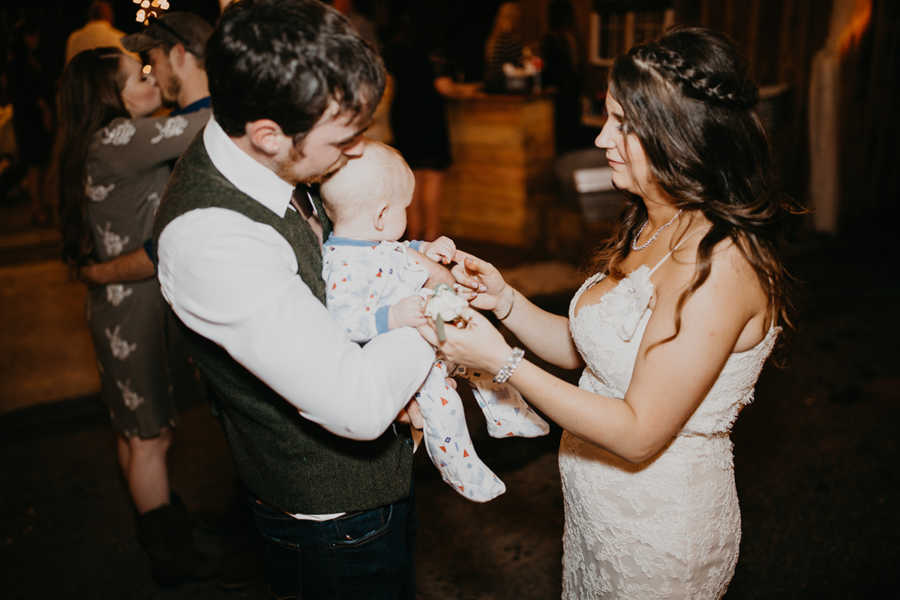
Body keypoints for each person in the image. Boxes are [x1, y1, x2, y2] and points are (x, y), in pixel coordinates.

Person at [422, 27, 796, 598]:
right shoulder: (655, 218)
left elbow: (639, 433)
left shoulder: (722, 266)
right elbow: (593, 350)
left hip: (661, 538)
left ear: (680, 134)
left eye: (622, 124)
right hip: (599, 518)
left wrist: (502, 364)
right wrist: (506, 302)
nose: (601, 139)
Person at [152, 1, 441, 597]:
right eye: (343, 137)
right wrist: (437, 305)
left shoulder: (270, 162)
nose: (358, 150)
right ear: (268, 135)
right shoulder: (211, 238)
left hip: (370, 491)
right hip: (333, 525)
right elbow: (358, 405)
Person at [54, 47, 214, 585]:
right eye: (140, 75)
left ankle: (164, 529)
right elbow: (205, 124)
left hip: (114, 310)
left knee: (132, 433)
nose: (152, 79)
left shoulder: (94, 142)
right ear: (112, 96)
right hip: (134, 310)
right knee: (150, 438)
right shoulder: (120, 139)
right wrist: (196, 73)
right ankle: (170, 558)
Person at [319, 139, 548, 502]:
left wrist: (426, 249)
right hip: (403, 352)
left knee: (480, 356)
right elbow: (342, 320)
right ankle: (459, 466)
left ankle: (506, 414)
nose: (405, 217)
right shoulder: (342, 263)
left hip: (429, 327)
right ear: (381, 215)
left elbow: (397, 249)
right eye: (403, 209)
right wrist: (390, 316)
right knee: (444, 405)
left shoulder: (371, 239)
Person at [80, 11, 213, 285]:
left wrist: (103, 273)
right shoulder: (164, 133)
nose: (152, 77)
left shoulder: (214, 129)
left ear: (178, 56)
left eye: (152, 62)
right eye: (142, 75)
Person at [383, 2, 478, 241]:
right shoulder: (435, 47)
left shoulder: (394, 47)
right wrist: (469, 91)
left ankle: (414, 239)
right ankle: (431, 237)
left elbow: (388, 86)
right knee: (432, 179)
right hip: (429, 116)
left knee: (412, 182)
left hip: (403, 116)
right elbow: (444, 87)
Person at [483, 2, 524, 93]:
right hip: (504, 83)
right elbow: (517, 63)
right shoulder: (509, 37)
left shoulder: (495, 36)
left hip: (491, 82)